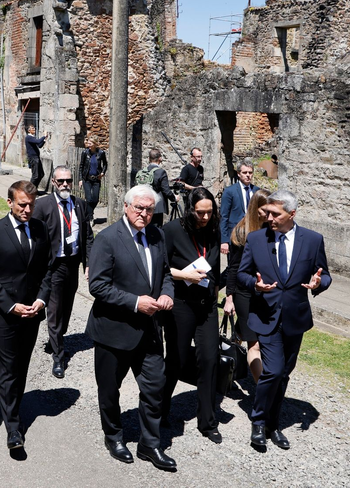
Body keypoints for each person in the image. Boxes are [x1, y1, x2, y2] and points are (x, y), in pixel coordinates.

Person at [86, 184, 176, 472]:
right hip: (114, 330)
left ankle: (150, 444)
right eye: (139, 208)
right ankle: (113, 436)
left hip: (149, 331)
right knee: (110, 390)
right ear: (126, 206)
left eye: (150, 209)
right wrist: (136, 303)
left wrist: (166, 294)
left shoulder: (158, 236)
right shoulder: (108, 239)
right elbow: (97, 285)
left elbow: (165, 275)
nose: (144, 214)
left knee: (154, 388)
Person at [237, 189, 331, 450]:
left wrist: (318, 283)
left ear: (292, 214)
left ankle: (272, 424)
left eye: (275, 214)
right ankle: (258, 421)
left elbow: (325, 275)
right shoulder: (256, 240)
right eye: (267, 213)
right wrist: (256, 286)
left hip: (295, 318)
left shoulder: (312, 240)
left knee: (284, 375)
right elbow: (241, 275)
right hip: (265, 315)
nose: (269, 218)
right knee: (274, 370)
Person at [0, 181, 53, 451]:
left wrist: (41, 300)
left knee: (21, 367)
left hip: (32, 313)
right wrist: (11, 306)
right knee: (8, 370)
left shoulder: (40, 228)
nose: (28, 209)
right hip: (5, 316)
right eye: (22, 204)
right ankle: (13, 427)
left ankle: (15, 407)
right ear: (9, 202)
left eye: (31, 204)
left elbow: (48, 269)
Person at [161, 187, 223, 443]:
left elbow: (216, 265)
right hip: (181, 303)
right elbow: (160, 267)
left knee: (210, 359)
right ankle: (159, 410)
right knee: (176, 359)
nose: (205, 217)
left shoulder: (214, 228)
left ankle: (207, 422)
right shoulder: (172, 230)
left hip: (206, 304)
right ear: (190, 209)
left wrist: (220, 293)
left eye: (209, 212)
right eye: (200, 213)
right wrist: (184, 275)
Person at [32, 166, 94, 379]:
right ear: (53, 183)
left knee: (67, 306)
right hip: (53, 265)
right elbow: (34, 238)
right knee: (55, 310)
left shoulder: (80, 204)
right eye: (61, 181)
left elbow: (87, 235)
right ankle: (58, 356)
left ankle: (55, 338)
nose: (65, 184)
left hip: (72, 263)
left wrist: (88, 262)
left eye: (68, 180)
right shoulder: (42, 206)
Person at [224, 188, 271, 383]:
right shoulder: (242, 232)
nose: (269, 215)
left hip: (263, 293)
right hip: (244, 293)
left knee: (241, 333)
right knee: (255, 344)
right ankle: (262, 390)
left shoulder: (271, 230)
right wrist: (229, 298)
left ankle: (228, 363)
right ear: (256, 208)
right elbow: (232, 269)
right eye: (265, 210)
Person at [220, 159, 257, 256]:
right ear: (238, 174)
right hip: (235, 236)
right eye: (244, 172)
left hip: (252, 234)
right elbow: (224, 216)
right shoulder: (230, 191)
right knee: (234, 267)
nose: (248, 175)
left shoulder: (257, 191)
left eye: (250, 172)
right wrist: (224, 240)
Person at [143, 148, 176, 228]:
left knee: (146, 227)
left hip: (145, 203)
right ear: (160, 158)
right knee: (156, 228)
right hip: (157, 206)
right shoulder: (161, 172)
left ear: (149, 159)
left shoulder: (144, 171)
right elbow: (166, 190)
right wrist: (174, 198)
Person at [78, 136, 107, 222]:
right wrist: (80, 179)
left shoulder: (101, 153)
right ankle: (90, 218)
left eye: (90, 143)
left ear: (95, 144)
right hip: (86, 179)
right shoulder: (85, 153)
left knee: (95, 199)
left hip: (96, 179)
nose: (88, 145)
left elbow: (105, 164)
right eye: (88, 143)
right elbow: (81, 166)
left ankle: (88, 212)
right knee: (89, 198)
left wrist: (103, 172)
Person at [25, 125, 50, 191]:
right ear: (29, 130)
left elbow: (39, 145)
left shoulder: (32, 137)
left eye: (34, 128)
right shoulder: (28, 137)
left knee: (41, 174)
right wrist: (44, 135)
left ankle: (35, 189)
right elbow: (38, 141)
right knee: (35, 176)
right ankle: (29, 191)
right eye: (32, 128)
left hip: (36, 158)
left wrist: (44, 139)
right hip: (33, 158)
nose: (34, 129)